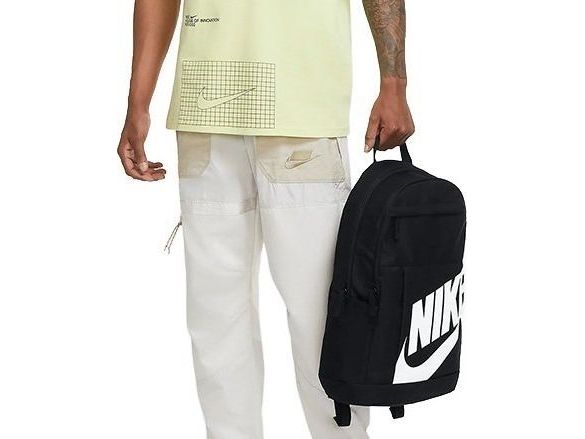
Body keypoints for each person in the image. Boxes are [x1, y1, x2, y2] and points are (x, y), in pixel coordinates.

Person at [117, 0, 414, 437]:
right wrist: (138, 102)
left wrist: (394, 83)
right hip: (205, 108)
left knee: (322, 313)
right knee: (215, 317)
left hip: (302, 110)